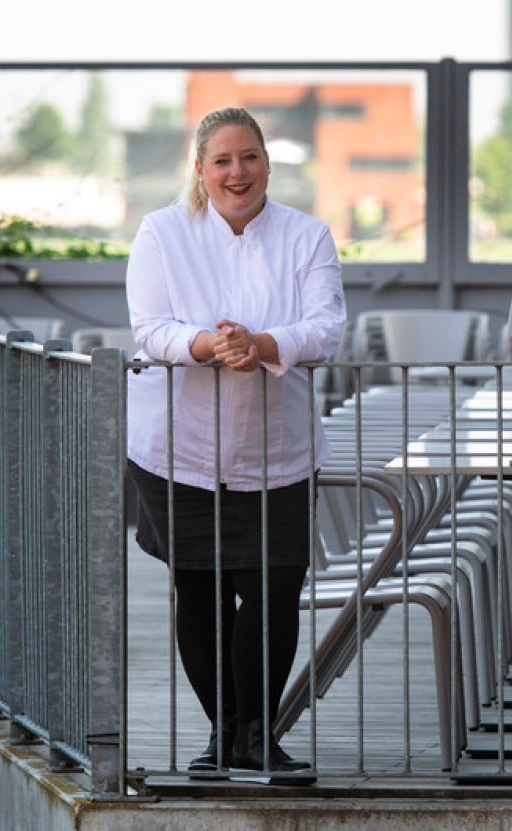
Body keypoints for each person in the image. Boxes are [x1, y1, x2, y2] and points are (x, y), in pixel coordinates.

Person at [125, 107, 345, 783]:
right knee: (202, 589)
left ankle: (259, 734)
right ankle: (224, 732)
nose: (237, 172)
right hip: (179, 447)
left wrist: (264, 344)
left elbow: (328, 327)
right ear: (199, 168)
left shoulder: (308, 236)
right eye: (221, 160)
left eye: (248, 157)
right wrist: (207, 345)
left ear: (267, 164)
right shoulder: (162, 232)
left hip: (277, 447)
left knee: (276, 587)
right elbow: (149, 329)